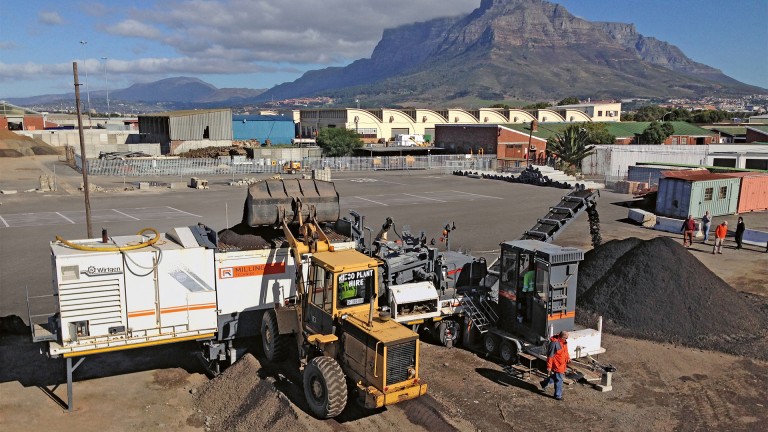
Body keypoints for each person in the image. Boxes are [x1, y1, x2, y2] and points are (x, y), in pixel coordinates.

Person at [540, 331, 570, 401]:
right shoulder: (554, 344)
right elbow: (550, 356)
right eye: (566, 338)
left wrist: (568, 358)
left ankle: (544, 383)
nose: (566, 339)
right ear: (562, 337)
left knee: (556, 377)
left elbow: (566, 352)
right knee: (559, 379)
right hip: (557, 365)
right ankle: (558, 395)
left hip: (562, 364)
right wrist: (549, 367)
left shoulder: (564, 342)